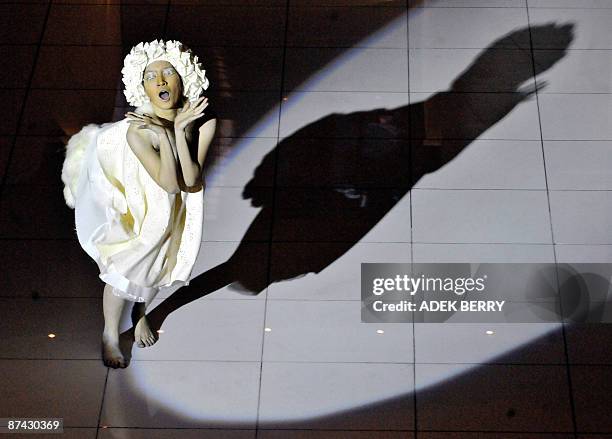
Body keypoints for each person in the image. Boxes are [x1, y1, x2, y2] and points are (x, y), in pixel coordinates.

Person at [61, 40, 217, 368]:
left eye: (168, 72)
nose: (160, 81)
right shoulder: (137, 132)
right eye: (150, 76)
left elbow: (191, 181)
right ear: (141, 86)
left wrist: (177, 131)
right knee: (124, 274)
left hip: (176, 212)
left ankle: (141, 311)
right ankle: (109, 333)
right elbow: (168, 184)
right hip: (142, 212)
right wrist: (164, 135)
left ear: (183, 78)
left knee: (161, 268)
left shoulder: (204, 123)